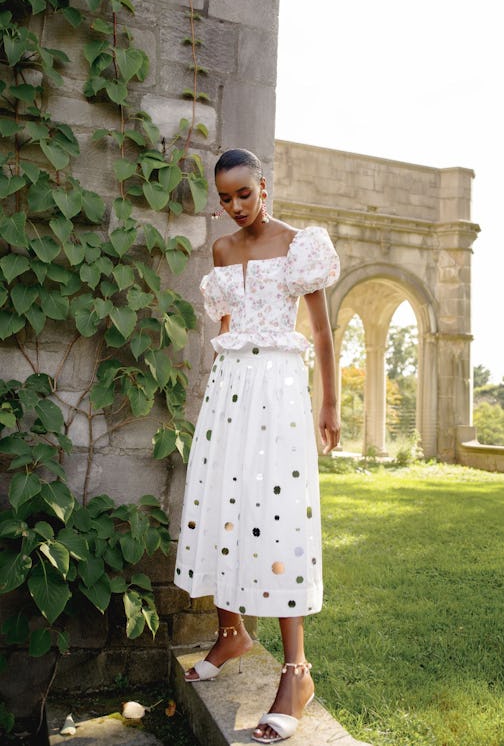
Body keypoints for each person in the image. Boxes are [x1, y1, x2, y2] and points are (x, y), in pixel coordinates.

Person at [174, 148, 340, 743]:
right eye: (224, 197)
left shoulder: (301, 246)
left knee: (278, 517)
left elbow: (321, 332)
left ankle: (296, 673)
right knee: (222, 502)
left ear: (263, 187)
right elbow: (225, 334)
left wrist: (329, 404)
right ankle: (231, 632)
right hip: (230, 393)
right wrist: (218, 401)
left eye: (244, 193)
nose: (235, 206)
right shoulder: (220, 253)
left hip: (280, 391)